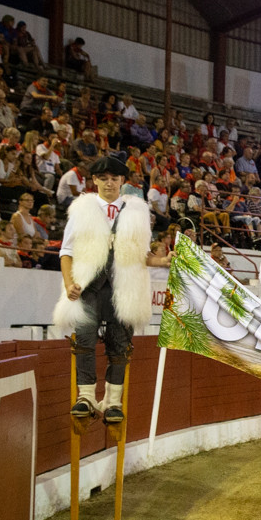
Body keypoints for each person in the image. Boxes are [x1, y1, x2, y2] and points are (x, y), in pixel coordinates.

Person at [54, 156, 168, 423]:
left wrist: (161, 261)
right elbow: (66, 252)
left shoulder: (137, 212)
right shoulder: (81, 210)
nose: (108, 183)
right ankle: (86, 397)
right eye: (102, 178)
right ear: (94, 180)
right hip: (87, 285)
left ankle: (113, 402)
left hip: (122, 287)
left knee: (120, 343)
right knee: (84, 340)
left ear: (122, 181)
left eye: (113, 179)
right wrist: (69, 283)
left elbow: (142, 255)